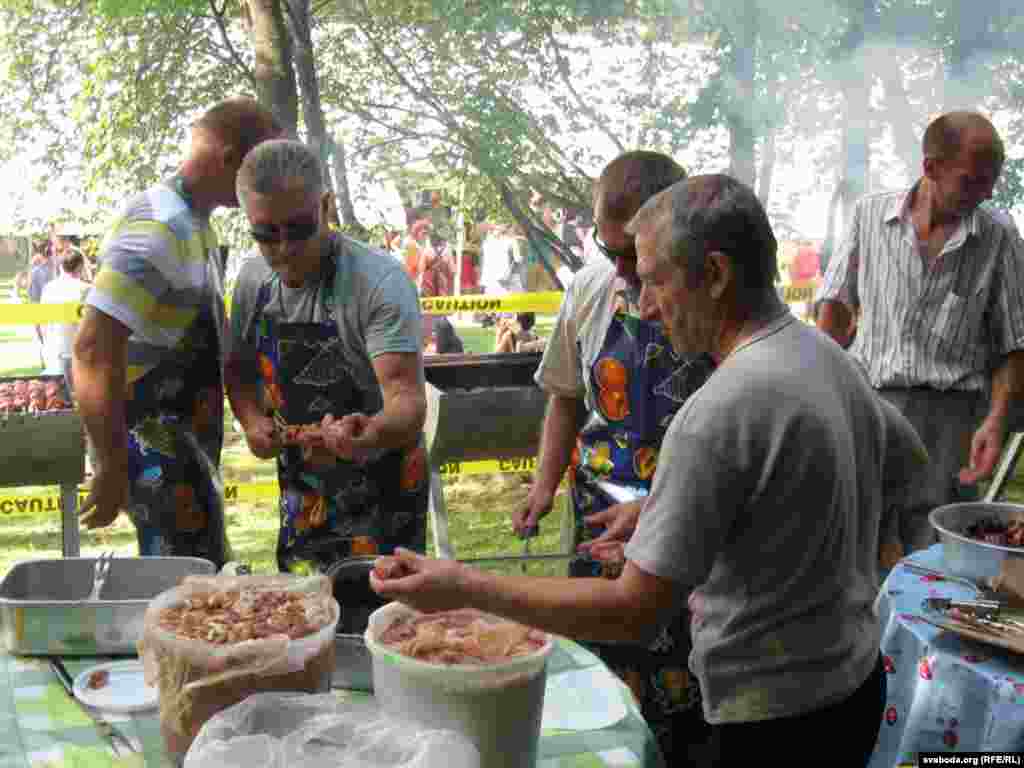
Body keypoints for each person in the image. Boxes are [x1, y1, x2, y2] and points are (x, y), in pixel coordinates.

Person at [372, 174, 929, 768]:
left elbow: (635, 612)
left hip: (771, 724)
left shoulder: (717, 411)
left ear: (714, 274)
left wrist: (461, 586)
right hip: (855, 685)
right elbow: (903, 466)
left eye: (656, 280)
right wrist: (674, 508)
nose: (645, 305)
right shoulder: (827, 355)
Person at [510, 151, 714, 765]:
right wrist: (544, 486)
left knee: (683, 689)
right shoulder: (587, 290)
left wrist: (664, 509)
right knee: (598, 679)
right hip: (599, 513)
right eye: (611, 253)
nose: (626, 273)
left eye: (635, 256)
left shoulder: (712, 296)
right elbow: (566, 400)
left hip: (692, 520)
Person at [73, 96, 282, 567]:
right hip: (151, 447)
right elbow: (91, 348)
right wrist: (108, 464)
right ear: (230, 159)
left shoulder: (195, 225)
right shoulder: (159, 228)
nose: (265, 184)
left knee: (200, 576)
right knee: (185, 588)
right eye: (259, 169)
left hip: (186, 447)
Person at [816, 110, 1024, 570]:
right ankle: (866, 641)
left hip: (952, 420)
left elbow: (1014, 342)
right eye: (973, 181)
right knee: (860, 539)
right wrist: (817, 391)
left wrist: (995, 419)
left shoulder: (999, 235)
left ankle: (924, 642)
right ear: (930, 168)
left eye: (992, 181)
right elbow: (833, 306)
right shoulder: (870, 216)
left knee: (936, 551)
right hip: (871, 405)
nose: (987, 193)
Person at [225, 139, 429, 574]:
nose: (283, 248)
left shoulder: (378, 283)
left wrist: (370, 432)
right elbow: (238, 369)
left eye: (298, 228)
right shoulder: (251, 282)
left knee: (383, 620)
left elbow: (408, 403)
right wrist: (250, 419)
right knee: (304, 617)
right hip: (303, 490)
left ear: (326, 205)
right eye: (265, 233)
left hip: (383, 487)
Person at [40, 247, 90, 395]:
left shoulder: (49, 288)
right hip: (78, 355)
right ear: (80, 266)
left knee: (59, 404)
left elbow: (43, 324)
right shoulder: (86, 289)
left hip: (54, 352)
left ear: (61, 266)